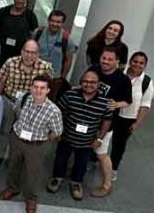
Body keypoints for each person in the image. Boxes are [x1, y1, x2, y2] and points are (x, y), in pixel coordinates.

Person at [0, 75, 63, 213]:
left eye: (42, 88)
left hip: (36, 145)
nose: (38, 91)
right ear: (31, 88)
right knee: (13, 166)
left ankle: (31, 198)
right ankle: (13, 188)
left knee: (32, 173)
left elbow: (56, 132)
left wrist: (42, 139)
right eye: (35, 87)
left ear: (48, 90)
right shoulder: (23, 98)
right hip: (17, 139)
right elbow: (16, 112)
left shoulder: (54, 111)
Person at [47, 69, 113, 201]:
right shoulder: (70, 95)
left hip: (87, 141)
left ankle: (76, 183)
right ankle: (57, 178)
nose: (89, 85)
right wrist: (57, 131)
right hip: (66, 137)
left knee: (81, 163)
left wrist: (100, 138)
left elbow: (107, 121)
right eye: (85, 81)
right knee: (60, 159)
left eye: (92, 82)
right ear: (81, 82)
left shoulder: (104, 102)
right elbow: (59, 113)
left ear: (98, 84)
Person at [0, 39, 53, 169]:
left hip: (30, 105)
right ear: (22, 51)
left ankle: (15, 159)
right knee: (4, 129)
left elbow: (48, 88)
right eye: (27, 52)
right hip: (9, 99)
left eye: (33, 53)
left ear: (38, 54)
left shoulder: (45, 68)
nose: (29, 55)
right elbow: (1, 82)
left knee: (23, 133)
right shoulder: (11, 62)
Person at [88, 46, 134, 196]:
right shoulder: (94, 69)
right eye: (104, 58)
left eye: (109, 59)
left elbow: (128, 100)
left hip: (105, 124)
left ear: (117, 61)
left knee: (101, 153)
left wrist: (117, 104)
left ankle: (107, 185)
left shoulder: (123, 79)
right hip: (87, 118)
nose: (105, 62)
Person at [110, 51, 154, 182]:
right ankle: (93, 159)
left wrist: (137, 123)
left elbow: (145, 104)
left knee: (119, 145)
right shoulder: (118, 74)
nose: (137, 65)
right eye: (135, 61)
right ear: (130, 61)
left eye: (141, 63)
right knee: (102, 138)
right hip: (111, 114)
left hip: (128, 118)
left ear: (145, 65)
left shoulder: (146, 82)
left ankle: (112, 169)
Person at [0, 0, 39, 64]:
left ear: (26, 0)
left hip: (19, 54)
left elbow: (34, 34)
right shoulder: (3, 11)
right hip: (0, 51)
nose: (20, 1)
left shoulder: (30, 15)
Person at [33, 10, 76, 79]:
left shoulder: (67, 39)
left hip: (54, 77)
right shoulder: (38, 33)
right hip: (34, 74)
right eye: (52, 21)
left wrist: (62, 78)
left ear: (62, 23)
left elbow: (68, 61)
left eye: (58, 22)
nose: (54, 24)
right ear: (48, 20)